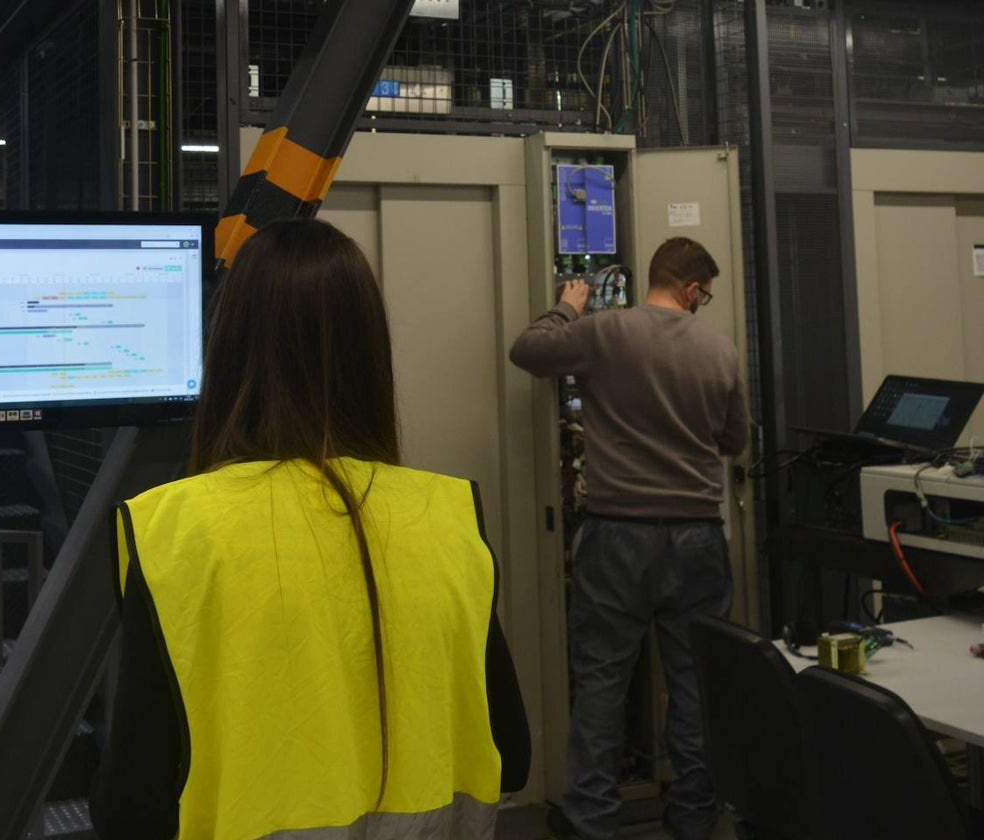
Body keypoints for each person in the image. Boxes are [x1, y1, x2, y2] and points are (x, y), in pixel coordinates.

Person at [89, 217, 530, 840]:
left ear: (230, 349)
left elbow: (132, 805)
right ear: (372, 356)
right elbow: (509, 753)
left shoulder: (173, 529)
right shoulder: (450, 514)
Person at [509, 237, 749, 840]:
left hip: (617, 537)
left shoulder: (605, 333)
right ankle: (694, 818)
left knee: (601, 682)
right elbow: (735, 439)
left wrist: (569, 305)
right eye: (706, 294)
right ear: (692, 289)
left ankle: (592, 821)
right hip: (696, 539)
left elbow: (527, 350)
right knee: (693, 683)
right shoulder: (721, 350)